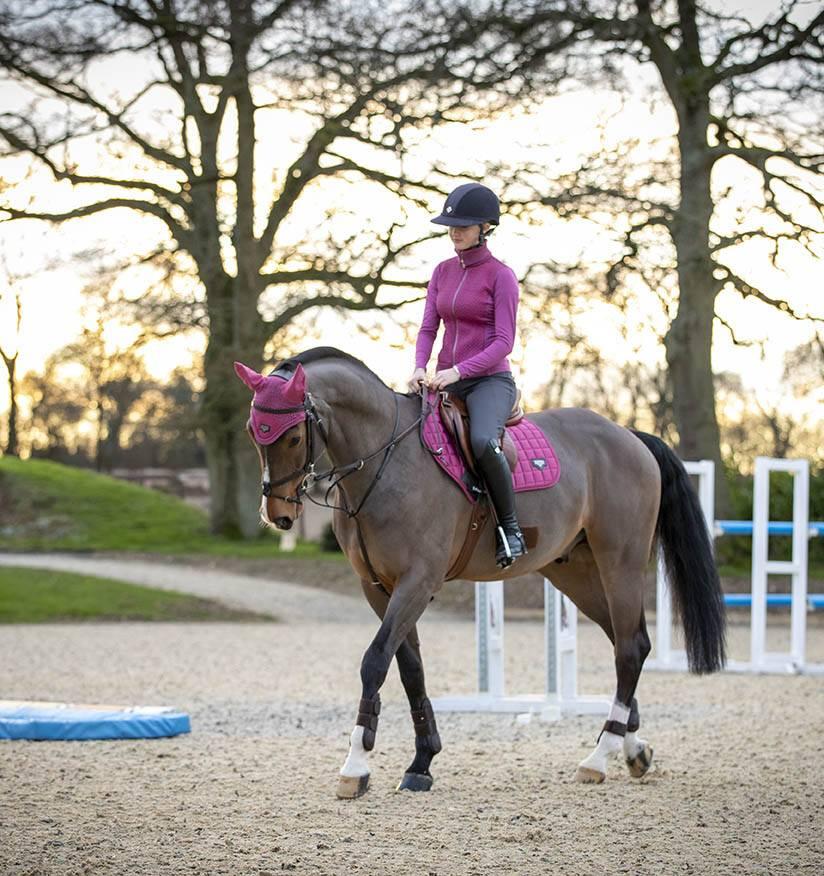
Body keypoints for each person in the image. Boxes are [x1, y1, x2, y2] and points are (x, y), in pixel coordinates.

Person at [408, 182, 527, 568]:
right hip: (444, 379)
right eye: (451, 224)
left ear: (485, 227)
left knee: (481, 441)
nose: (455, 231)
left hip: (490, 381)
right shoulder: (441, 272)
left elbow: (503, 343)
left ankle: (510, 530)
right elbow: (429, 328)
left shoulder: (501, 276)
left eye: (464, 224)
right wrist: (419, 368)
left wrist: (457, 370)